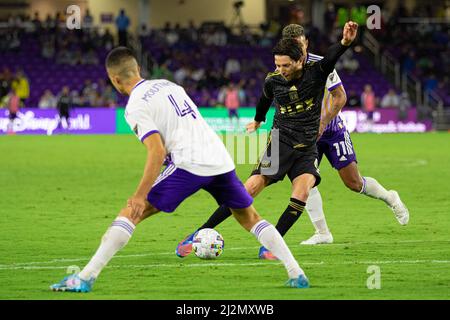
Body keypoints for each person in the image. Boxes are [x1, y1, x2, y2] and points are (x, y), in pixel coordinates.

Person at [50, 47, 310, 293]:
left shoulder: (135, 106)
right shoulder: (168, 84)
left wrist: (140, 195)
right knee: (250, 218)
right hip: (219, 158)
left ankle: (84, 278)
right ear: (138, 67)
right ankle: (296, 273)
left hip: (189, 163)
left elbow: (156, 151)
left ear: (114, 79)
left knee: (131, 212)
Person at [176, 22, 409, 258]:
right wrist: (257, 120)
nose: (283, 66)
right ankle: (320, 232)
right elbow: (265, 97)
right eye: (281, 61)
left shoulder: (319, 66)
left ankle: (389, 197)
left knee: (351, 183)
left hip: (328, 128)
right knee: (268, 187)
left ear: (304, 46)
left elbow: (339, 96)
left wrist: (323, 121)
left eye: (298, 48)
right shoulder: (277, 74)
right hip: (286, 138)